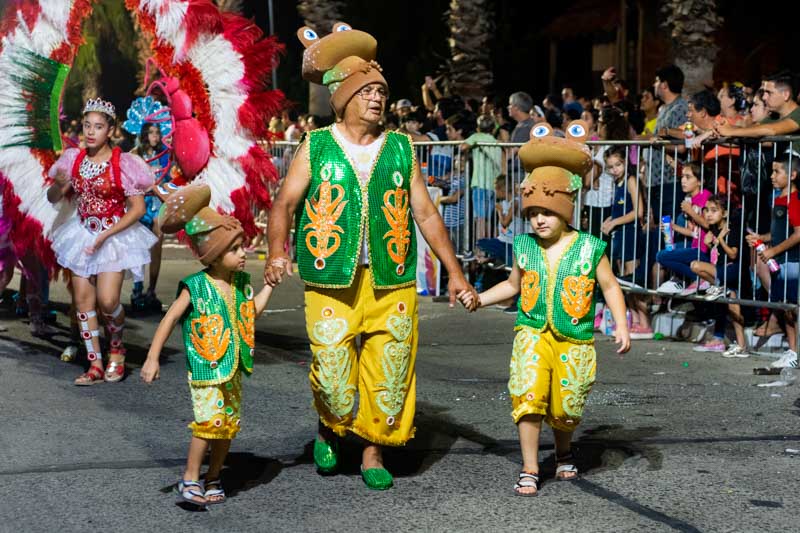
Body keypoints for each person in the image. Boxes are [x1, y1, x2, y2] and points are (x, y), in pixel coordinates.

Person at [265, 23, 475, 490]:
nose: (377, 99)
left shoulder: (401, 147)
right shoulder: (317, 145)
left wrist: (456, 274)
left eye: (381, 91)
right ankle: (330, 425)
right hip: (331, 278)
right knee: (334, 375)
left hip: (390, 277)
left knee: (390, 370)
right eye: (367, 92)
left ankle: (371, 451)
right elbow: (284, 203)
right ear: (343, 99)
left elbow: (425, 213)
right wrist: (277, 252)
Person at [458, 122, 630, 495]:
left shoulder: (589, 247)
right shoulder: (524, 245)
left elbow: (609, 286)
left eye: (547, 212)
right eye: (533, 211)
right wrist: (479, 298)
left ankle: (564, 451)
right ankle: (531, 467)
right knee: (529, 395)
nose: (539, 219)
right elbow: (512, 286)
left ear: (566, 209)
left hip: (574, 338)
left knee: (566, 404)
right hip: (532, 334)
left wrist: (621, 324)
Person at [140, 184, 273, 506]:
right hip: (206, 369)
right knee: (209, 422)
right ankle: (190, 478)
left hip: (234, 368)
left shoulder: (241, 284)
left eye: (242, 246)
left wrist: (269, 285)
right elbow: (170, 318)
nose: (243, 253)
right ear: (213, 255)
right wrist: (152, 357)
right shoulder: (196, 286)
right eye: (235, 249)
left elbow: (250, 313)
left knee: (227, 426)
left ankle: (213, 477)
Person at [47, 98, 157, 385]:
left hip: (114, 237)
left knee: (108, 301)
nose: (91, 132)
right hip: (81, 235)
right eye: (87, 125)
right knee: (83, 302)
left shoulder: (124, 163)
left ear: (110, 130)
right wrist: (59, 184)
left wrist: (106, 235)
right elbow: (53, 197)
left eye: (98, 126)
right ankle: (95, 364)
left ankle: (117, 350)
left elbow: (138, 209)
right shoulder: (74, 159)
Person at [746, 154, 800, 369]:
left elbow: (798, 234)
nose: (772, 176)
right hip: (781, 262)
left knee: (791, 308)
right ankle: (793, 351)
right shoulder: (779, 200)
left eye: (777, 171)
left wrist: (773, 251)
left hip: (792, 262)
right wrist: (761, 238)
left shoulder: (794, 201)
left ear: (792, 175)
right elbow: (779, 233)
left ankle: (795, 351)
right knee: (785, 307)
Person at [688, 195, 752, 355]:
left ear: (725, 213)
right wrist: (710, 244)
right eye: (707, 210)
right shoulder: (714, 228)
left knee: (696, 266)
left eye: (714, 210)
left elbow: (732, 254)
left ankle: (720, 286)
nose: (708, 214)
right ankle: (741, 346)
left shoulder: (732, 228)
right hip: (723, 269)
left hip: (735, 270)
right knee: (732, 305)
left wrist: (721, 239)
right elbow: (718, 255)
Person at [131, 122, 171, 313]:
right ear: (145, 134)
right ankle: (137, 290)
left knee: (157, 248)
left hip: (158, 205)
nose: (155, 136)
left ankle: (151, 290)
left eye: (157, 132)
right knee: (138, 249)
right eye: (151, 132)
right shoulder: (136, 154)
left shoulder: (165, 155)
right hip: (142, 204)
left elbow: (168, 178)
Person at [656, 162, 713, 295]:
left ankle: (700, 278)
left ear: (700, 181)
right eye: (682, 177)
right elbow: (693, 232)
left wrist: (690, 211)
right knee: (665, 252)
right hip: (693, 244)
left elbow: (708, 225)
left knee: (661, 256)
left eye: (688, 177)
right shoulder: (688, 199)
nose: (683, 180)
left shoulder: (706, 196)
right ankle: (683, 280)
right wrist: (672, 226)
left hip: (703, 249)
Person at [715, 73, 800, 138]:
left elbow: (771, 130)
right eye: (764, 92)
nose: (764, 97)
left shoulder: (798, 113)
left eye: (769, 93)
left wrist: (730, 131)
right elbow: (752, 130)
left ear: (785, 95)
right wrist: (726, 128)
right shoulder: (774, 118)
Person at [462, 114, 503, 241]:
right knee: (489, 220)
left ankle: (480, 249)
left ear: (478, 128)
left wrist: (470, 149)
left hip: (480, 184)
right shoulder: (495, 141)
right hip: (493, 186)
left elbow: (462, 147)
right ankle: (490, 248)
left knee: (480, 219)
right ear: (493, 128)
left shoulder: (477, 137)